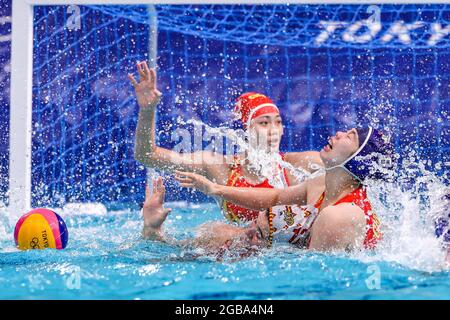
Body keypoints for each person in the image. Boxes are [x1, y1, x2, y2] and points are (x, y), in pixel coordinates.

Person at [129, 61, 322, 223]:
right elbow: (147, 155)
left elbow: (349, 168)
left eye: (278, 123)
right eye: (264, 123)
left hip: (285, 256)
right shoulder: (220, 168)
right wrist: (147, 110)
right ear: (245, 130)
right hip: (237, 253)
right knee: (214, 234)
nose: (274, 131)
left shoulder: (298, 165)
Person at [175, 126, 394, 252]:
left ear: (358, 160)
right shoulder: (321, 184)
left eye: (350, 136)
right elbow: (276, 197)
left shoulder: (339, 216)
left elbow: (316, 276)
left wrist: (268, 239)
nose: (339, 133)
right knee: (218, 233)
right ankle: (157, 238)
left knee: (238, 243)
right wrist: (216, 189)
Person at [141, 177, 270, 260]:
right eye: (253, 224)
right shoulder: (220, 236)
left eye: (258, 236)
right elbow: (162, 253)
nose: (249, 232)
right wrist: (152, 228)